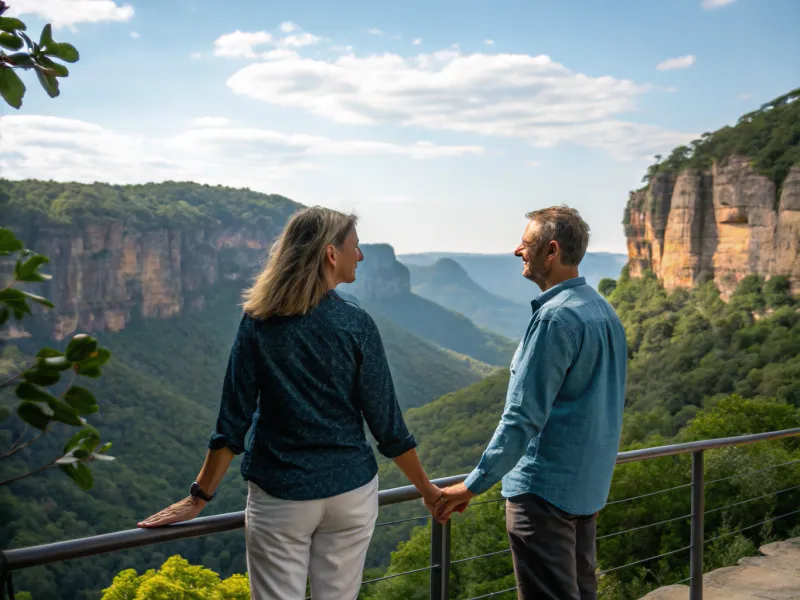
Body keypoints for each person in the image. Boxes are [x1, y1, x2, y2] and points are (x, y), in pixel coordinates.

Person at [139, 206, 443, 600]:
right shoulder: (356, 324)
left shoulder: (258, 321)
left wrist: (198, 498)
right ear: (331, 254)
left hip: (281, 495)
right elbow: (388, 426)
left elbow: (233, 422)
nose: (361, 256)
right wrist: (426, 489)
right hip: (351, 493)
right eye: (355, 247)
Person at [435, 206, 627, 600]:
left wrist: (471, 486)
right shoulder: (602, 310)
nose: (516, 251)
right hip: (586, 488)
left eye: (526, 244)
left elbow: (522, 418)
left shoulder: (554, 320)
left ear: (551, 251)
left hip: (542, 494)